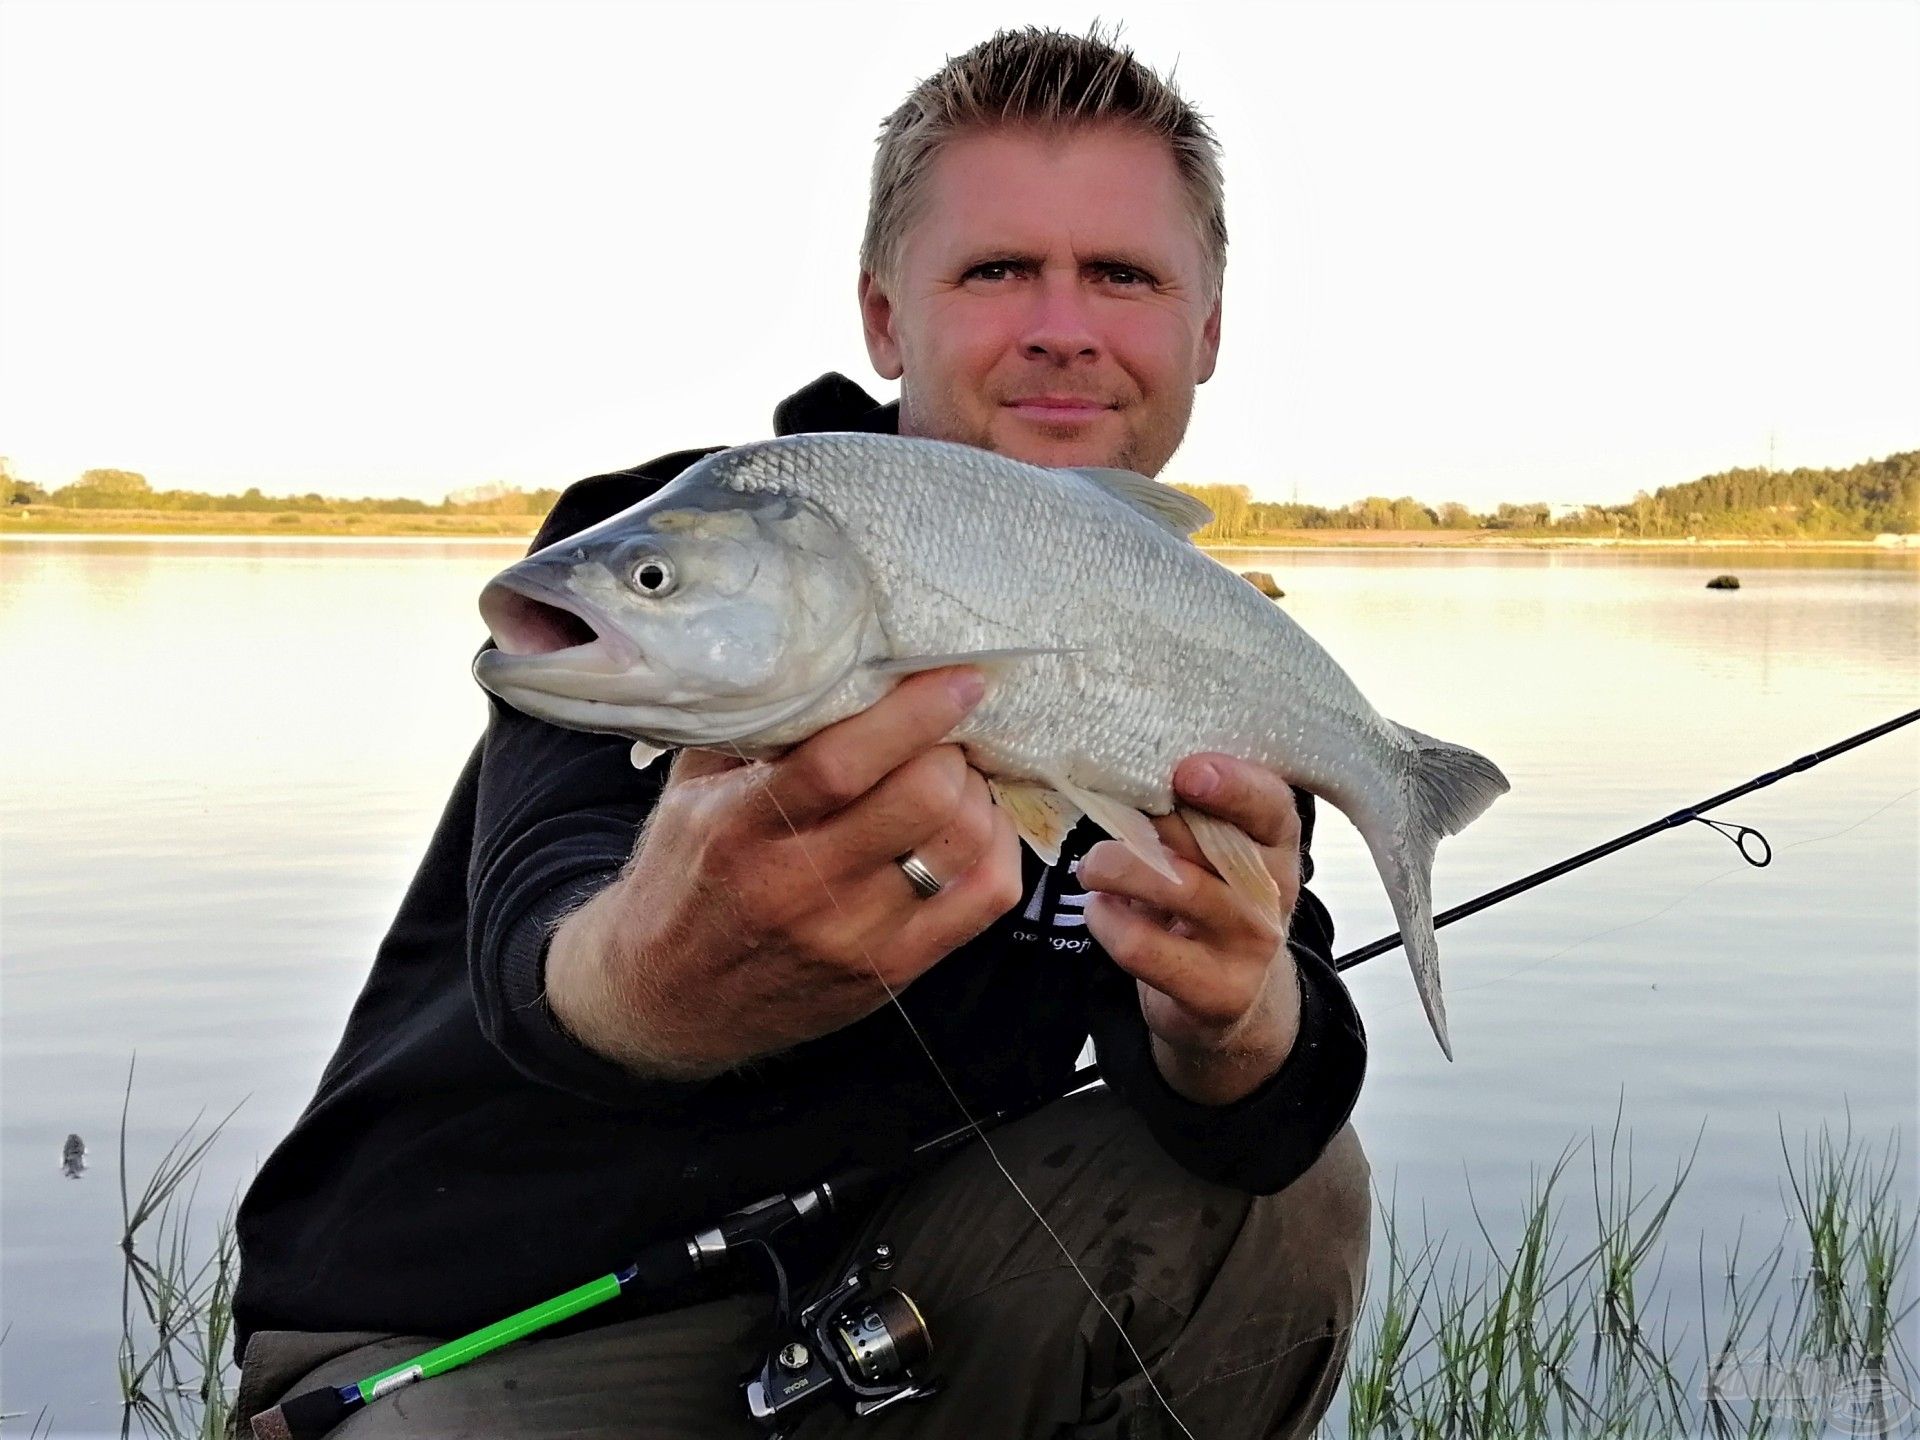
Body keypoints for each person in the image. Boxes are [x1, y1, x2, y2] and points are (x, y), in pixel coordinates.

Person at [232, 27, 1372, 1439]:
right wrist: (660, 962)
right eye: (997, 269)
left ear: (1203, 333)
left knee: (1290, 1196)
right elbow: (550, 924)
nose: (1063, 323)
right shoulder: (708, 540)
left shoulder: (1201, 649)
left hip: (869, 1324)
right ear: (886, 318)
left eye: (1122, 275)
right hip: (467, 1322)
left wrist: (1235, 1024)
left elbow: (1252, 1114)